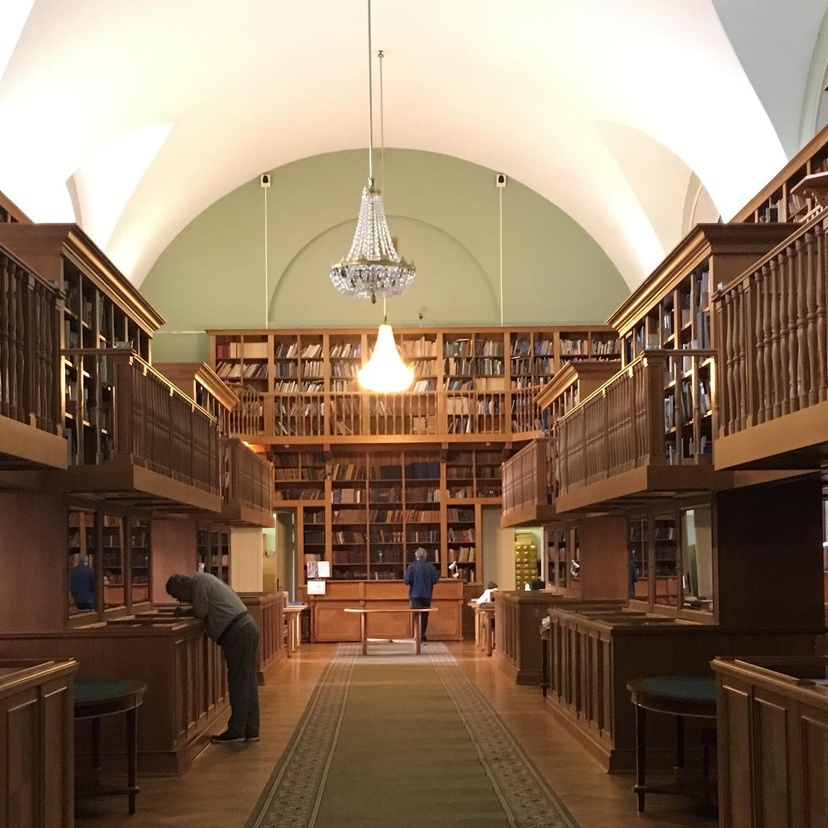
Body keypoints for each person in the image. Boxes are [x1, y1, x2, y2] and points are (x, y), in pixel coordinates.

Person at [166, 572, 260, 744]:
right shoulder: (204, 580)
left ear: (182, 587)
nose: (180, 601)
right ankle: (251, 729)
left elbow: (201, 612)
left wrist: (186, 612)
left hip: (237, 633)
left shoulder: (199, 584)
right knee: (247, 683)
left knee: (238, 684)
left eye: (177, 596)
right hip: (246, 627)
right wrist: (187, 611)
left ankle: (237, 731)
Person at [403, 547, 440, 643]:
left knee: (416, 616)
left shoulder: (411, 566)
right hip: (427, 594)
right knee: (424, 616)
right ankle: (422, 636)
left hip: (415, 594)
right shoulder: (431, 567)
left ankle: (417, 636)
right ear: (425, 556)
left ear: (416, 556)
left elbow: (406, 581)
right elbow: (435, 580)